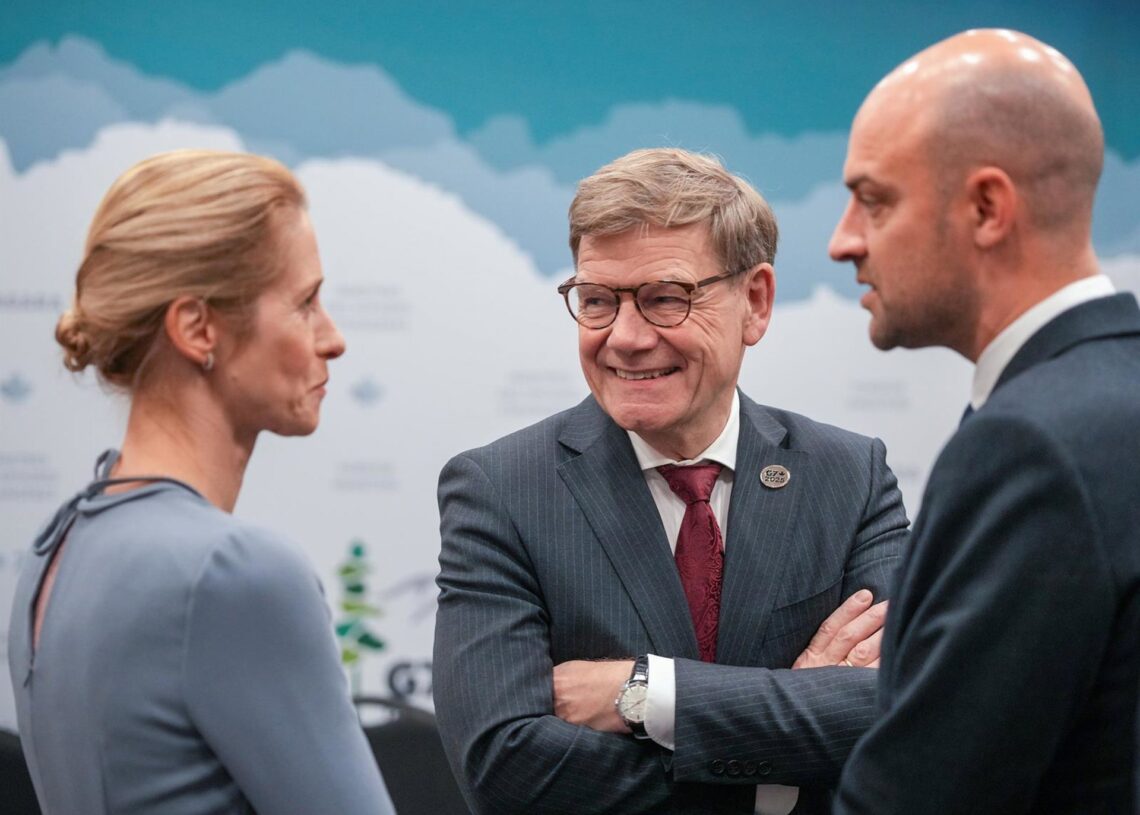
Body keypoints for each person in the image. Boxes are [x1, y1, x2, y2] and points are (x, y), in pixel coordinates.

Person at [433, 147, 910, 815]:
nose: (625, 337)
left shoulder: (848, 477)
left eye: (665, 298)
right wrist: (778, 776)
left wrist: (647, 693)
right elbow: (506, 766)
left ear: (756, 300)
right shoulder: (501, 491)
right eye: (597, 300)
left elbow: (901, 710)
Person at [7, 150, 396, 814]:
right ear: (196, 327)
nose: (333, 338)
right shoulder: (232, 571)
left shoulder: (54, 551)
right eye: (305, 302)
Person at [828, 29, 1140, 814]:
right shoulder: (1112, 397)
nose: (843, 242)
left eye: (874, 199)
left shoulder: (1029, 446)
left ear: (987, 208)